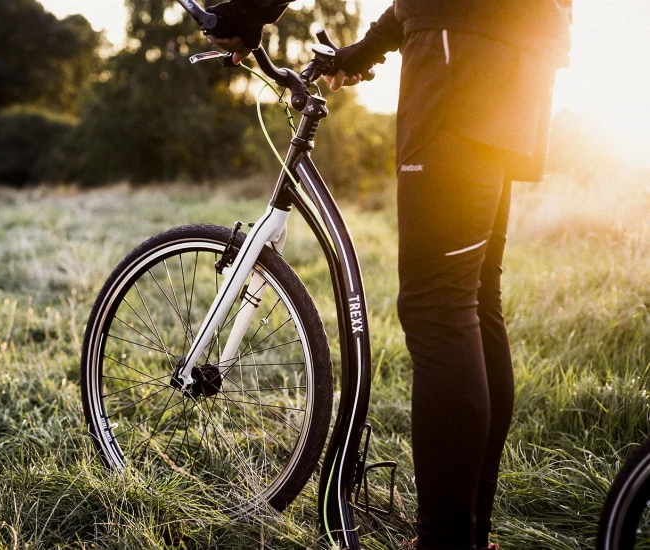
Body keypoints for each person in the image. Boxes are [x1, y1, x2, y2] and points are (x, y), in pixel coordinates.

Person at [206, 1, 572, 549]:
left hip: (461, 54)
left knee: (439, 308)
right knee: (473, 298)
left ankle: (444, 542)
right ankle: (469, 536)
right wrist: (368, 49)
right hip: (519, 56)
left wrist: (250, 10)